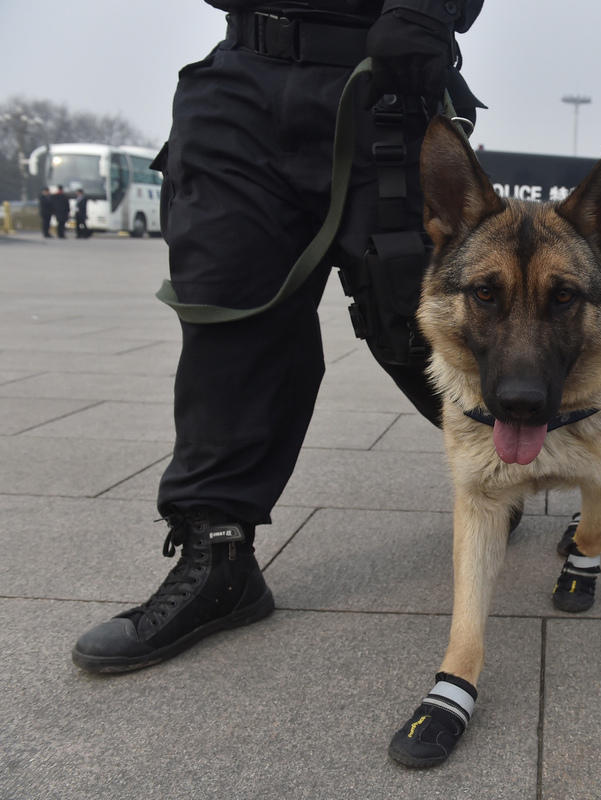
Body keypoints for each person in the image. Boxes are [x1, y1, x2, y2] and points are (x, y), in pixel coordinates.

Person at [72, 0, 485, 689]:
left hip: (383, 69)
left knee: (425, 319)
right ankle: (219, 554)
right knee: (228, 318)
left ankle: (509, 470)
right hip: (241, 75)